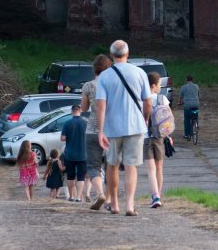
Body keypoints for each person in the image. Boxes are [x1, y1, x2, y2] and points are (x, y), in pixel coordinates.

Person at [95, 40, 152, 217]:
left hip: (112, 128)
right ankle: (129, 205)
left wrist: (100, 130)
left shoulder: (105, 76)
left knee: (112, 165)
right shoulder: (140, 73)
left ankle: (115, 204)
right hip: (135, 126)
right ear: (128, 53)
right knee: (131, 166)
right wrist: (145, 120)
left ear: (111, 55)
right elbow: (147, 101)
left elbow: (101, 105)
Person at [82, 54, 112, 209]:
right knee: (110, 166)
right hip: (110, 131)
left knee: (93, 166)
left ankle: (99, 193)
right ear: (108, 67)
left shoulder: (88, 86)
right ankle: (108, 199)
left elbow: (84, 108)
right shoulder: (112, 85)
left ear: (94, 68)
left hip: (92, 130)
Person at [143, 71, 170, 208]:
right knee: (160, 168)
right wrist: (168, 136)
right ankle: (159, 195)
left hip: (146, 137)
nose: (160, 87)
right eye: (159, 84)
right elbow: (168, 120)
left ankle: (155, 196)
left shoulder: (142, 99)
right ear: (154, 85)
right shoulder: (162, 99)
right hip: (159, 137)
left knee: (151, 169)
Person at [61, 104, 88, 202]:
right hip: (83, 154)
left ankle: (71, 196)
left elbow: (62, 138)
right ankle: (79, 197)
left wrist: (70, 137)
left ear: (72, 111)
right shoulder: (86, 123)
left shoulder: (67, 123)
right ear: (80, 110)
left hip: (70, 154)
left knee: (70, 176)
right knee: (81, 177)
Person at [178, 74, 200, 140]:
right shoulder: (196, 86)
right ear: (192, 80)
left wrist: (180, 103)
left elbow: (181, 97)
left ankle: (187, 135)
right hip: (196, 104)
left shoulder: (183, 87)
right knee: (195, 115)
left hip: (187, 106)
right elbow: (198, 94)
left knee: (187, 119)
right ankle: (197, 124)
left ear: (186, 80)